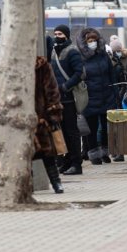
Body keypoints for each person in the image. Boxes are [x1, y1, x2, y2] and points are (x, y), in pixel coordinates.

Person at [76, 28, 116, 165]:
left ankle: (105, 152)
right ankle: (93, 154)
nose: (92, 43)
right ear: (84, 42)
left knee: (106, 127)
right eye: (89, 41)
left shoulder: (103, 55)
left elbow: (111, 74)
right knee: (91, 128)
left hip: (106, 95)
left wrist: (114, 91)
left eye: (94, 40)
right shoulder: (80, 57)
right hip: (89, 96)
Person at [49, 25, 85, 175]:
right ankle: (67, 161)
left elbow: (79, 73)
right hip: (57, 98)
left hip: (68, 97)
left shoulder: (72, 51)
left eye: (60, 34)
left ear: (66, 35)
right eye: (56, 33)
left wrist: (65, 87)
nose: (57, 36)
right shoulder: (54, 51)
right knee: (61, 131)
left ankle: (76, 163)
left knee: (71, 132)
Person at [33, 56, 65, 194]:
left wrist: (53, 113)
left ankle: (56, 182)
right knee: (23, 156)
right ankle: (26, 185)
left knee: (49, 154)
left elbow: (52, 90)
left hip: (41, 118)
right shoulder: (12, 65)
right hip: (21, 120)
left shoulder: (41, 66)